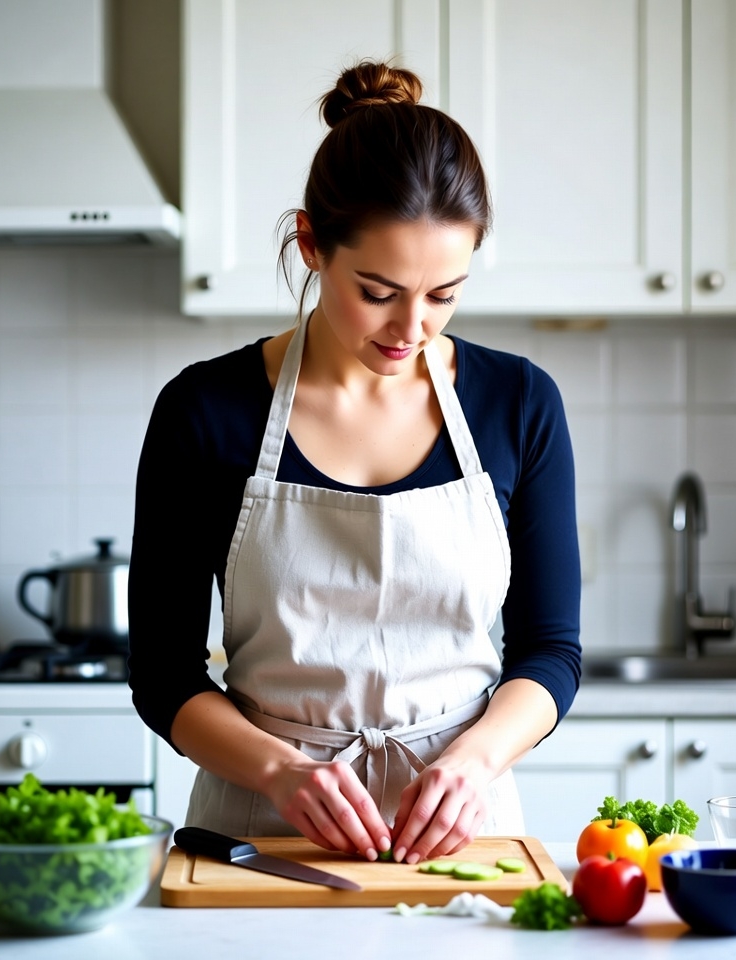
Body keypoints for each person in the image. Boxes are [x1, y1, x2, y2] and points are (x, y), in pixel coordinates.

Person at [128, 61, 581, 865]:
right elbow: (163, 673)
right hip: (260, 836)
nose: (413, 326)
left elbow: (551, 648)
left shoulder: (520, 403)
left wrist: (473, 762)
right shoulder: (204, 411)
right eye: (378, 290)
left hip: (461, 835)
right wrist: (281, 771)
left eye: (444, 293)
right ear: (311, 245)